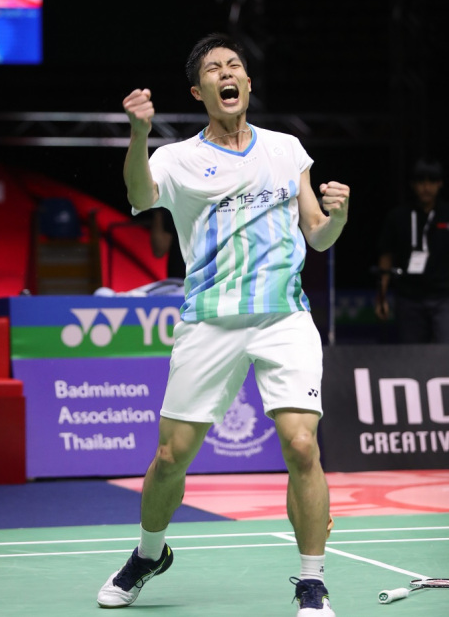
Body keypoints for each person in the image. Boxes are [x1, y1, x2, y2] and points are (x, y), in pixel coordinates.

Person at [97, 33, 349, 616]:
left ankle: (312, 582)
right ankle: (149, 554)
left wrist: (339, 216)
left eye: (234, 65)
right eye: (213, 69)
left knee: (302, 445)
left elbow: (317, 235)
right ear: (199, 91)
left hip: (283, 316)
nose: (226, 73)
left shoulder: (286, 149)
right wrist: (139, 134)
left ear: (248, 83)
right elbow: (140, 194)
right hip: (210, 320)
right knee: (170, 457)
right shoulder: (176, 157)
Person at [375, 158, 449, 343]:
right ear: (413, 184)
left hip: (444, 297)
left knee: (445, 352)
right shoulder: (398, 216)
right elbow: (386, 256)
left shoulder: (446, 214)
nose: (426, 187)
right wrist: (381, 296)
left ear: (440, 183)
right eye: (421, 181)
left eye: (432, 181)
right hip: (409, 298)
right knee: (411, 353)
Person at [150, 208, 186, 279]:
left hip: (185, 278)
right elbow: (159, 250)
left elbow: (159, 249)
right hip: (182, 278)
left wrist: (158, 209)